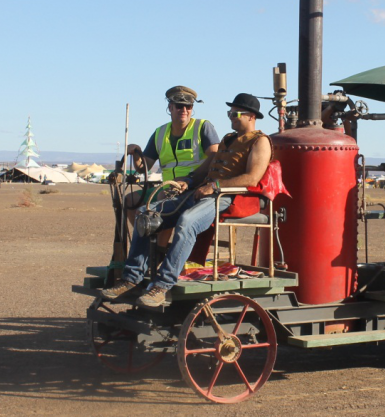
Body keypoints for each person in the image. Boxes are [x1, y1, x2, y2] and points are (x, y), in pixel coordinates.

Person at [104, 93, 272, 307]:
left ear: (251, 116)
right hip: (202, 190)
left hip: (226, 197)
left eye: (235, 113)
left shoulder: (260, 141)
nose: (230, 117)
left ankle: (162, 285)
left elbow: (252, 177)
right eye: (229, 113)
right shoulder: (229, 139)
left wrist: (215, 186)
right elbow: (206, 169)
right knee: (146, 214)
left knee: (187, 222)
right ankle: (131, 278)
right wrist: (188, 180)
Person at [124, 86, 221, 221]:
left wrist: (190, 179)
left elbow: (214, 157)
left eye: (189, 106)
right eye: (180, 106)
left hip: (192, 186)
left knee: (162, 200)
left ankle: (160, 242)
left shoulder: (203, 127)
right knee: (130, 200)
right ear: (170, 107)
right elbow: (143, 168)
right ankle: (144, 238)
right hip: (167, 185)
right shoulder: (160, 133)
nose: (184, 110)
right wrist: (136, 153)